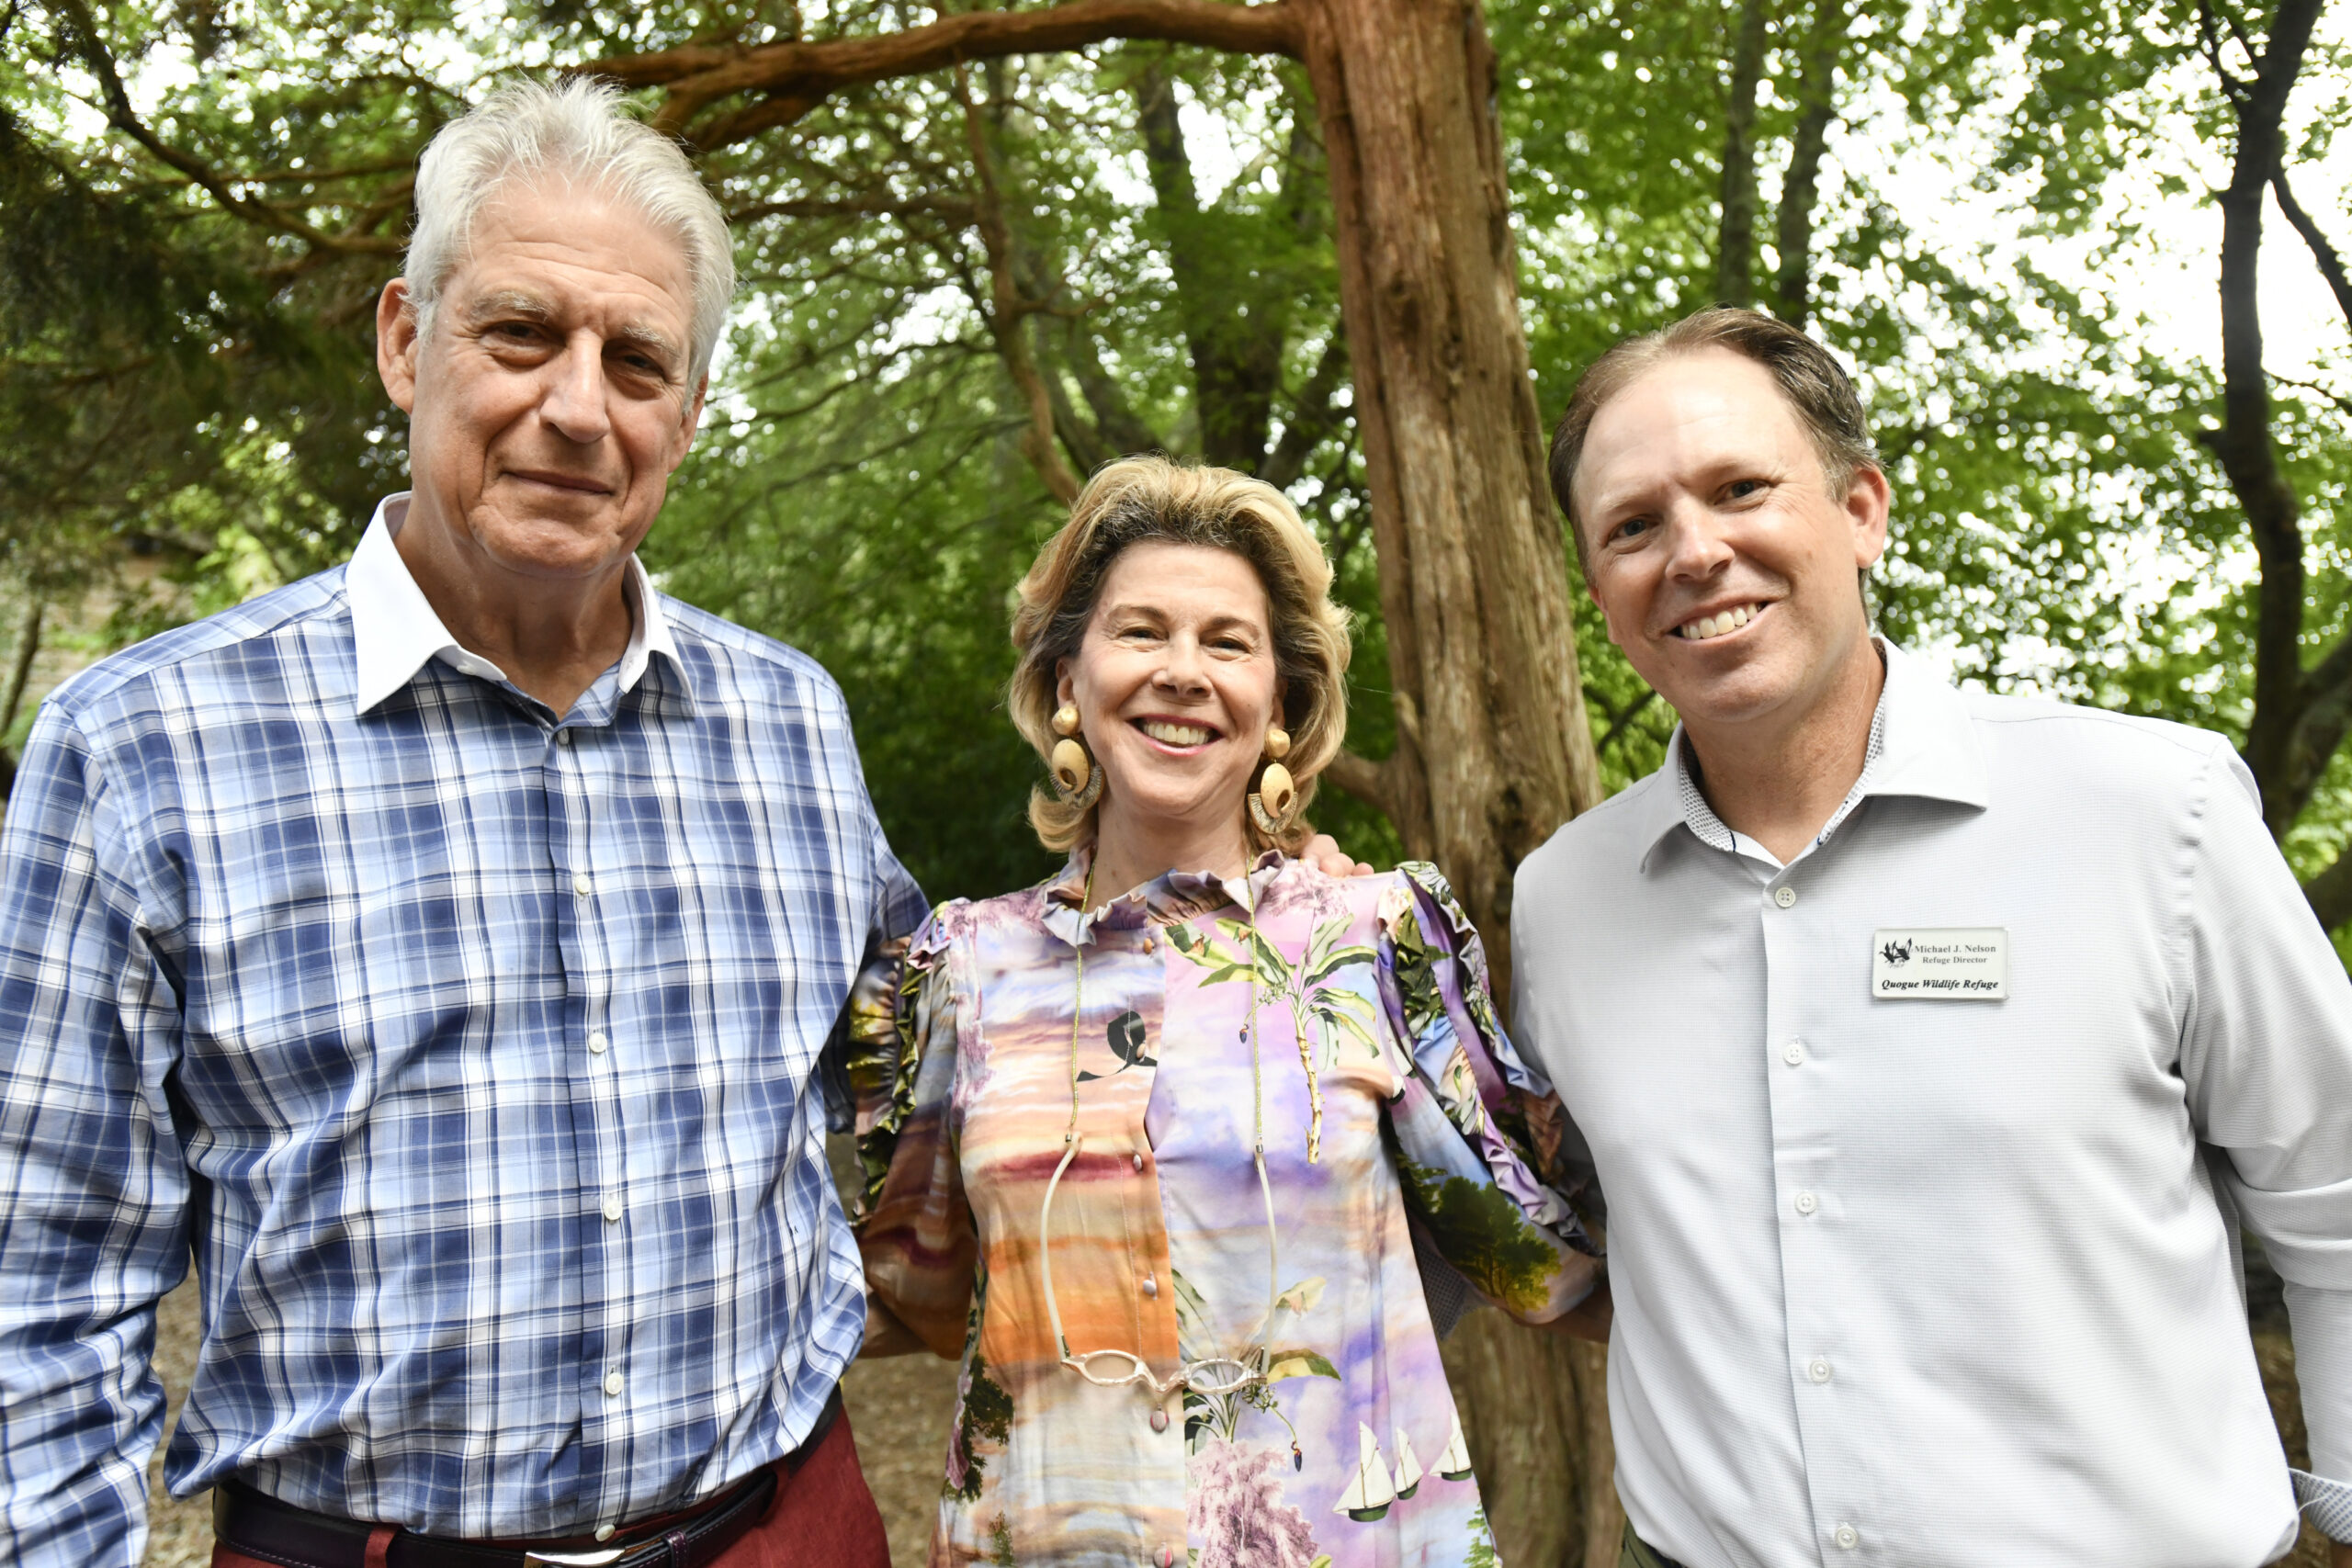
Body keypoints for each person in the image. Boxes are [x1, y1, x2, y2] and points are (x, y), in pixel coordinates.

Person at [0, 80, 923, 1568]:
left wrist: (1232, 935)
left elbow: (916, 1054)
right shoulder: (140, 748)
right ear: (403, 339)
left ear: (683, 416)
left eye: (636, 361)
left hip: (784, 1526)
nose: (576, 405)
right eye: (519, 332)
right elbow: (33, 1293)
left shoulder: (789, 723)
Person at [1513, 305, 2352, 1568]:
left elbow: (2335, 1208)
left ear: (1862, 510)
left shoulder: (2148, 813)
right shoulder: (1564, 896)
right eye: (1634, 524)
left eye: (1741, 487)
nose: (1693, 550)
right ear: (1598, 585)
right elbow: (1585, 1243)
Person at [838, 456, 1604, 1568]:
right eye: (1140, 632)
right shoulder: (959, 969)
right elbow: (911, 1285)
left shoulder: (1375, 941)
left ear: (1280, 705)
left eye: (1227, 642)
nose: (1182, 673)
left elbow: (1543, 1260)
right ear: (1066, 681)